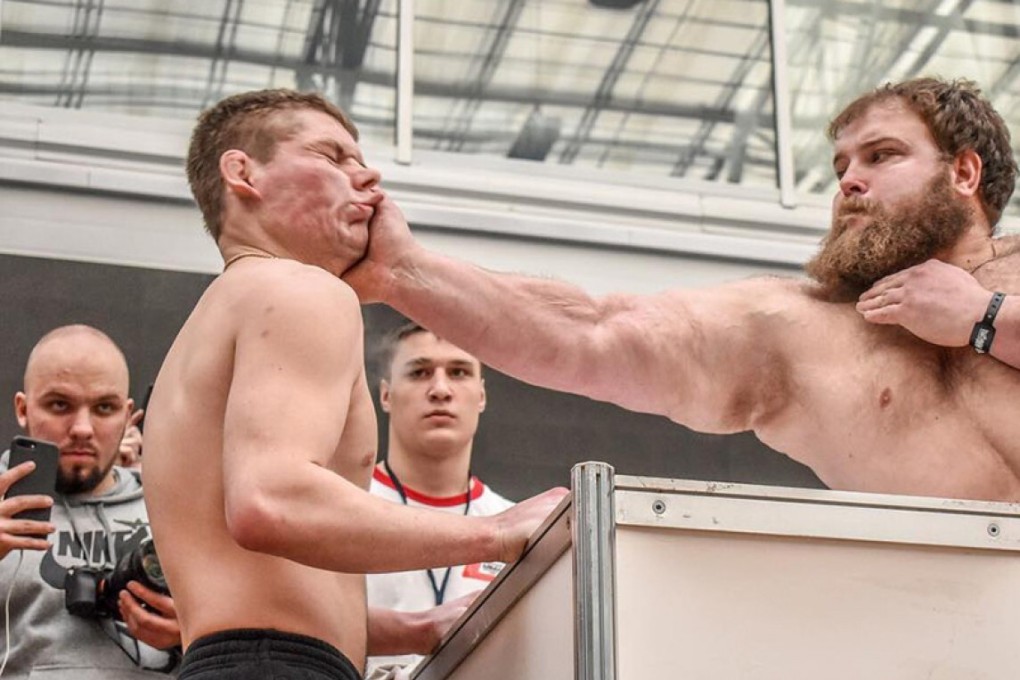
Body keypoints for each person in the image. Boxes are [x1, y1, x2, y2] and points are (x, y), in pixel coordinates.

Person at [344, 76, 1020, 503]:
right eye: (841, 165)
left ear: (963, 173)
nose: (848, 181)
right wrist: (401, 270)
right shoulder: (794, 327)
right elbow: (591, 331)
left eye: (882, 155)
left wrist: (982, 316)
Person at [142, 89, 566, 680]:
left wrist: (414, 629)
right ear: (243, 173)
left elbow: (261, 596)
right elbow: (270, 501)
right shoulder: (299, 288)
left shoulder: (212, 321)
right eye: (333, 156)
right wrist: (495, 532)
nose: (368, 177)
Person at [0, 325, 180, 678]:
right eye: (60, 405)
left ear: (127, 415)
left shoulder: (174, 508)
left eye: (104, 407)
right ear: (23, 408)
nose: (82, 428)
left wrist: (189, 635)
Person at [366, 322, 514, 678]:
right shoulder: (341, 506)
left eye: (459, 372)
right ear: (386, 395)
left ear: (481, 396)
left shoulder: (515, 524)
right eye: (419, 372)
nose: (440, 390)